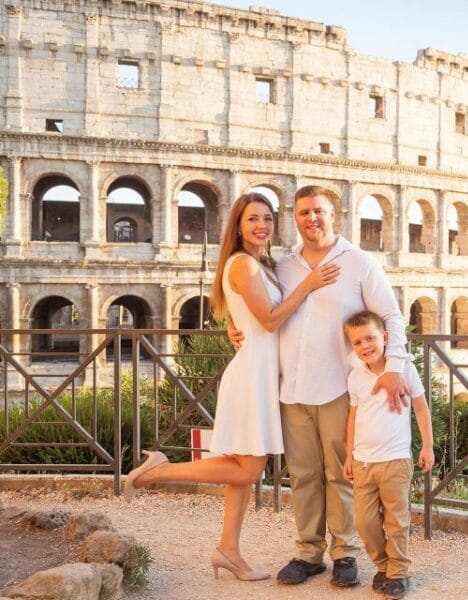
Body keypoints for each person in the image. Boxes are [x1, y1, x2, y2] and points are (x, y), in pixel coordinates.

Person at [123, 192, 339, 582]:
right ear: (238, 226)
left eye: (268, 219)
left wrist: (233, 325)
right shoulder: (243, 264)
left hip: (259, 371)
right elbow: (271, 321)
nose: (262, 226)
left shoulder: (259, 264)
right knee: (248, 470)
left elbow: (251, 317)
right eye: (253, 219)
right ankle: (157, 472)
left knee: (241, 467)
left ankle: (229, 550)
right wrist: (308, 284)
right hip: (252, 376)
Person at [228, 185, 411, 587]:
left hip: (338, 386)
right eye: (305, 212)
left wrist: (394, 367)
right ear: (296, 217)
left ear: (335, 215)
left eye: (320, 212)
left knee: (341, 474)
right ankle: (308, 551)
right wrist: (232, 326)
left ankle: (344, 552)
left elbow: (392, 318)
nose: (312, 219)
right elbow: (258, 304)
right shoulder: (283, 265)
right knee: (304, 473)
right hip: (290, 386)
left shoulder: (360, 263)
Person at [343, 310, 434, 600]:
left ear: (384, 337)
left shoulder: (405, 368)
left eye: (370, 338)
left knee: (397, 520)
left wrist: (427, 445)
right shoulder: (356, 376)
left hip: (395, 459)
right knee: (364, 522)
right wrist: (348, 455)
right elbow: (352, 417)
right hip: (363, 461)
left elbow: (421, 408)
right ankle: (382, 565)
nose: (365, 346)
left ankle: (398, 572)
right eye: (357, 342)